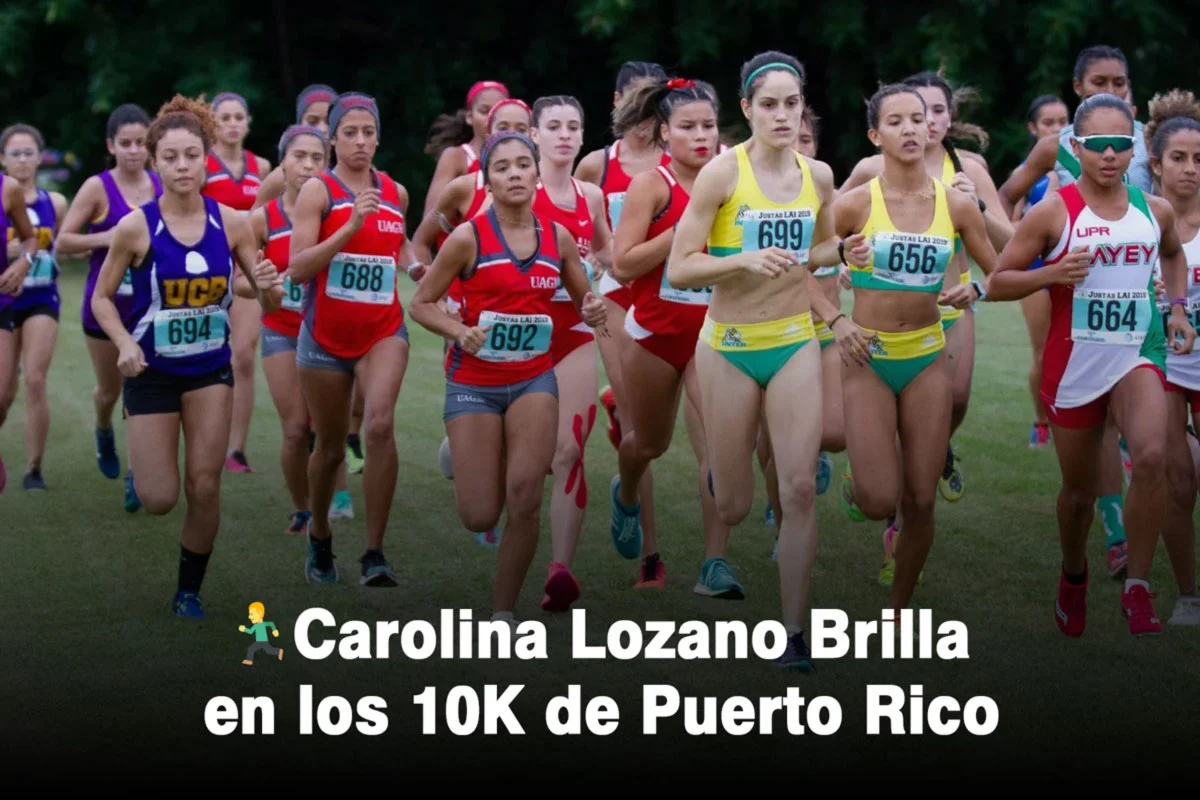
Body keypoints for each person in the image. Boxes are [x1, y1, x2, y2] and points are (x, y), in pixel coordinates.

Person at [667, 51, 869, 670]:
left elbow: (818, 252)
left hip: (792, 343)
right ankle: (727, 490)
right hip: (727, 347)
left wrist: (845, 250)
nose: (783, 115)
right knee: (731, 501)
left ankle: (793, 637)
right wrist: (740, 261)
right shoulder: (721, 176)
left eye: (793, 103)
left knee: (800, 487)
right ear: (748, 109)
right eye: (770, 104)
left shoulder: (820, 176)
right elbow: (680, 266)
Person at [987, 93, 1196, 637]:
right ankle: (1073, 576)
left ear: (1136, 149)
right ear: (1075, 148)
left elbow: (1172, 253)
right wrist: (1050, 275)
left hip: (1137, 351)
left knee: (1151, 457)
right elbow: (998, 282)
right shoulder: (1053, 210)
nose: (1108, 154)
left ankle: (1139, 588)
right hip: (1075, 361)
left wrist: (1175, 309)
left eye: (1120, 145)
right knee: (1078, 496)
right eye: (1097, 145)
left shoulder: (1154, 210)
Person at [90, 95, 279, 620]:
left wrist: (267, 285)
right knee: (158, 499)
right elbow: (102, 299)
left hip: (209, 371)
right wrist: (125, 344)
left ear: (206, 157)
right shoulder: (135, 227)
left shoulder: (234, 222)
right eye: (170, 157)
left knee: (205, 481)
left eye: (191, 155)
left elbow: (260, 294)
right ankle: (138, 460)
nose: (182, 167)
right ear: (155, 163)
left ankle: (188, 591)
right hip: (150, 372)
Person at [408, 130, 606, 623]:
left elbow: (584, 300)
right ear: (487, 181)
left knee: (525, 497)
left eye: (523, 165)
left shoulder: (556, 238)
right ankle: (467, 452)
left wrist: (596, 305)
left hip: (533, 381)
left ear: (538, 175)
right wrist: (458, 330)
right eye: (503, 167)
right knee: (480, 514)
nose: (515, 173)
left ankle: (503, 611)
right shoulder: (467, 237)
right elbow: (420, 303)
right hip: (474, 383)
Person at [834, 84, 996, 609]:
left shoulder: (957, 205)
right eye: (896, 121)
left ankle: (900, 605)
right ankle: (860, 484)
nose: (910, 129)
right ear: (875, 135)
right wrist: (836, 318)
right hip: (868, 358)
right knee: (881, 497)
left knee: (922, 497)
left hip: (927, 356)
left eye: (918, 120)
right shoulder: (856, 202)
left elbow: (1000, 273)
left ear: (932, 129)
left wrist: (976, 287)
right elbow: (803, 267)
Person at [998, 45, 1143, 579]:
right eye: (1099, 80)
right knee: (1099, 425)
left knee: (1150, 436)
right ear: (1078, 87)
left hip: (1139, 300)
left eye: (1121, 81)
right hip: (1072, 292)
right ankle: (1115, 534)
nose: (1112, 88)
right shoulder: (1052, 148)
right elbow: (1004, 195)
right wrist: (1027, 248)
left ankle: (1137, 532)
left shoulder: (1150, 142)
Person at [289, 92, 416, 588]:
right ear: (333, 137)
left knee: (379, 424)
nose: (360, 141)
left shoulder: (396, 191)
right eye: (350, 133)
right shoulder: (317, 192)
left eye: (368, 132)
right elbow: (298, 266)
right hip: (323, 337)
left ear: (378, 136)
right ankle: (319, 535)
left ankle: (374, 552)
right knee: (330, 449)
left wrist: (416, 265)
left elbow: (399, 244)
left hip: (382, 331)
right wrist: (350, 227)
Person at [608, 76, 728, 590]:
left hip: (713, 335)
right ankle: (627, 491)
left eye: (709, 125)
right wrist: (677, 236)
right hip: (654, 335)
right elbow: (622, 264)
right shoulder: (651, 186)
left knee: (720, 447)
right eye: (688, 127)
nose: (701, 136)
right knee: (648, 445)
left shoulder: (731, 180)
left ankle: (715, 562)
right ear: (664, 132)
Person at [529, 95, 612, 609]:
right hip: (520, 334)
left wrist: (603, 269)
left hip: (575, 333)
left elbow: (605, 249)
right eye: (553, 126)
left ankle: (560, 568)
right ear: (534, 135)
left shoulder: (592, 197)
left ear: (583, 137)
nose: (563, 135)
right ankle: (466, 451)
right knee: (523, 460)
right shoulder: (515, 189)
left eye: (573, 127)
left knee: (570, 451)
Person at [56, 104, 162, 509]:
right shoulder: (97, 187)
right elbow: (64, 241)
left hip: (149, 307)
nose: (134, 151)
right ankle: (102, 428)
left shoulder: (161, 183)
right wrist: (112, 239)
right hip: (103, 306)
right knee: (110, 391)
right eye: (126, 143)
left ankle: (136, 477)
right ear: (111, 145)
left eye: (140, 143)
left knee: (140, 391)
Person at [576, 62, 669, 454]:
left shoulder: (680, 160)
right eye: (636, 100)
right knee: (634, 417)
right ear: (617, 101)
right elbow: (578, 228)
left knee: (658, 425)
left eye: (654, 103)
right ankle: (629, 506)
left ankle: (618, 405)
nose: (645, 113)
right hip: (616, 291)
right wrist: (593, 255)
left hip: (669, 292)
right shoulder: (597, 165)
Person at [246, 124, 327, 535]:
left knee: (325, 429)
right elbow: (236, 283)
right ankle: (303, 508)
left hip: (328, 333)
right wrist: (263, 282)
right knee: (296, 428)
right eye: (300, 156)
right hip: (281, 329)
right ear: (282, 163)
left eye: (317, 158)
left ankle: (329, 502)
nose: (309, 165)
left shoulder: (335, 213)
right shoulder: (262, 218)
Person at [1144, 89, 1200, 625]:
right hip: (1160, 371)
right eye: (1178, 158)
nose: (1190, 169)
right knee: (1176, 483)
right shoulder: (1135, 223)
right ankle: (1189, 594)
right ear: (1156, 164)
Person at [202, 92, 272, 474]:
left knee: (243, 356)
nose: (231, 123)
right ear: (212, 123)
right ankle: (205, 438)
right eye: (224, 117)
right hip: (206, 274)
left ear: (247, 122)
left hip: (245, 273)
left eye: (238, 117)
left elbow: (273, 218)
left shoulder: (260, 166)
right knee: (209, 356)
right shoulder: (200, 164)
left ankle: (236, 449)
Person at [1, 123, 68, 492]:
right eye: (15, 153)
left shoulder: (54, 203)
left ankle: (34, 470)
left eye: (29, 153)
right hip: (5, 301)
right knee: (4, 393)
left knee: (36, 379)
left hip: (42, 297)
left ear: (39, 158)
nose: (23, 160)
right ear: (2, 159)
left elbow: (66, 242)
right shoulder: (1, 198)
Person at [1011, 94, 1070, 450]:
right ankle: (1041, 420)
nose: (1057, 128)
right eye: (1048, 122)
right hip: (1036, 266)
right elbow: (1011, 220)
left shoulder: (1084, 165)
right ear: (1033, 128)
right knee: (1044, 350)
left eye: (1063, 121)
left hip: (1073, 265)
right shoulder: (1028, 170)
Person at [0, 168, 37, 495]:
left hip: (0, 302)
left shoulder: (7, 189)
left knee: (2, 395)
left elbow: (30, 238)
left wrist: (23, 262)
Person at [423, 80, 510, 213]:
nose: (492, 117)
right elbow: (431, 214)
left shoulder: (521, 161)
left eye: (498, 110)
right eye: (485, 111)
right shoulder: (456, 156)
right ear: (470, 116)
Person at [252, 84, 336, 210]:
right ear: (299, 123)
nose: (322, 129)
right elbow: (252, 224)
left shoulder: (353, 171)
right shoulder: (280, 177)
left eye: (329, 122)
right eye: (312, 122)